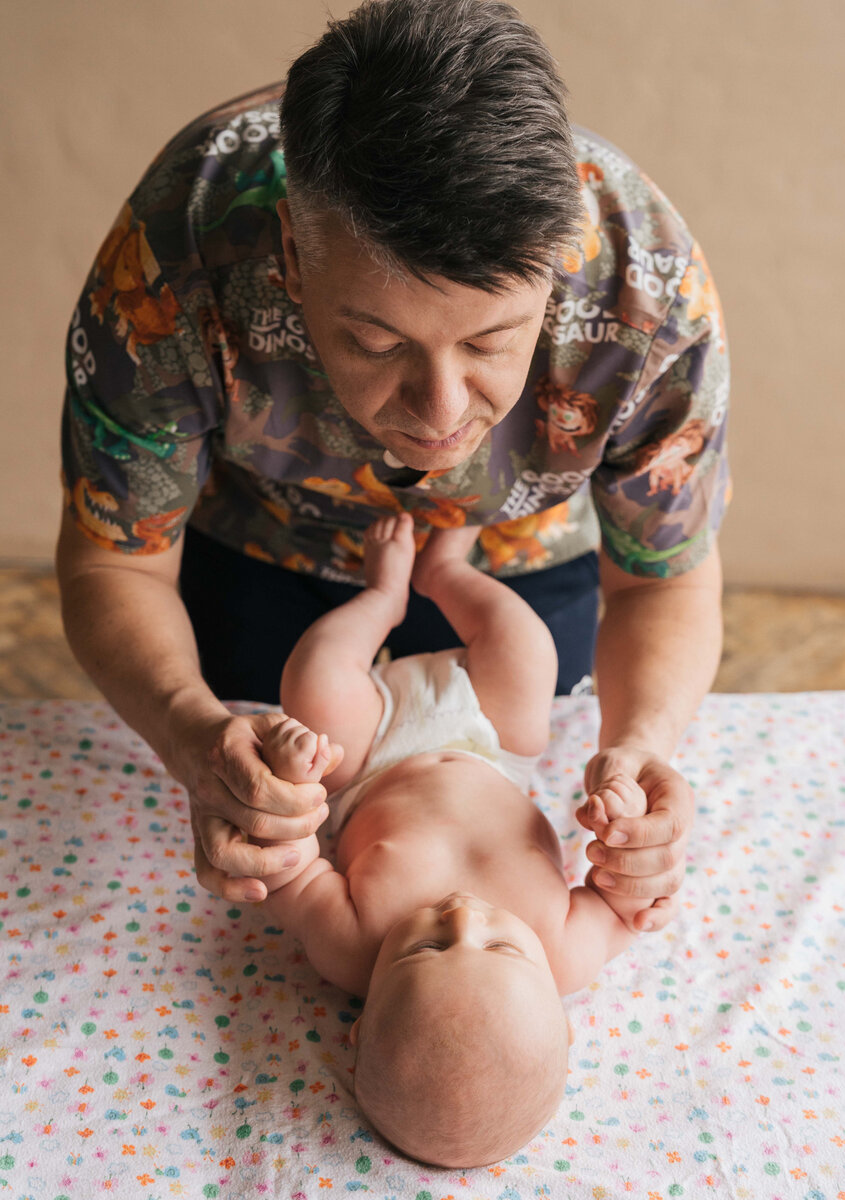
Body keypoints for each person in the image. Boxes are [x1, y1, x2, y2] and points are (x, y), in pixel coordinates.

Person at [55, 0, 728, 922]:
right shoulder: (176, 255)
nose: (442, 416)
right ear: (293, 257)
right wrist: (191, 732)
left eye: (492, 341)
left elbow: (664, 584)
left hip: (520, 574)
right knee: (270, 788)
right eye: (376, 342)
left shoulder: (650, 293)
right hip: (266, 553)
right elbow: (114, 559)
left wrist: (644, 741)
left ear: (559, 260)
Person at [250, 512, 665, 1167]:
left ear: (363, 1024)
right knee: (527, 649)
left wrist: (293, 774)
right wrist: (623, 827)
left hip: (365, 755)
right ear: (558, 1022)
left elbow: (285, 867)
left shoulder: (349, 947)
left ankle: (381, 600)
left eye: (426, 949)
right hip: (493, 742)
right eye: (500, 946)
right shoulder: (566, 953)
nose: (462, 919)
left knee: (315, 682)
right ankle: (446, 573)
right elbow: (626, 903)